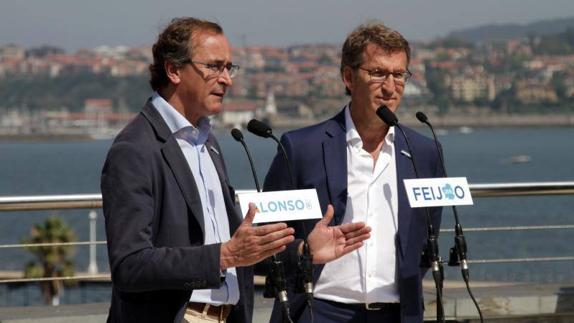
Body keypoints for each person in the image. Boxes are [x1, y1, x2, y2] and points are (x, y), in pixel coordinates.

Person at [101, 17, 371, 323]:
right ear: (174, 70)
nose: (227, 79)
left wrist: (303, 251)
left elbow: (241, 250)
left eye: (229, 68)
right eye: (214, 67)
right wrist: (223, 256)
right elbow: (130, 264)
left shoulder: (208, 144)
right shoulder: (135, 148)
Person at [264, 21, 444, 323]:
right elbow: (263, 243)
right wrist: (305, 250)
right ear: (348, 77)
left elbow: (427, 240)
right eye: (377, 73)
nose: (390, 87)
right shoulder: (300, 148)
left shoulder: (424, 153)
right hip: (317, 310)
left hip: (398, 314)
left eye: (399, 75)